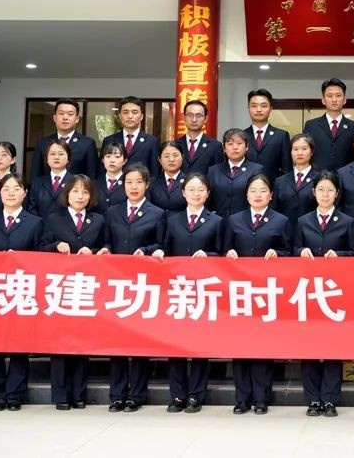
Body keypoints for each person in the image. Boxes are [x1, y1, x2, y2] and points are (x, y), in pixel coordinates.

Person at [98, 163, 167, 413]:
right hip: (117, 284)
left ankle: (136, 395)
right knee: (117, 341)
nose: (133, 187)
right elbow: (107, 241)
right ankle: (117, 395)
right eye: (129, 182)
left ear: (147, 185)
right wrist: (105, 250)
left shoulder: (157, 213)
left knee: (138, 342)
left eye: (138, 182)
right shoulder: (113, 212)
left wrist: (146, 250)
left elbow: (162, 244)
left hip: (143, 285)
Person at [152, 173, 222, 414]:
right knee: (176, 344)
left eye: (201, 189)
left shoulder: (217, 221)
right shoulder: (172, 220)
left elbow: (222, 252)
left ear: (208, 193)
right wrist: (159, 252)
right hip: (177, 290)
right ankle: (178, 394)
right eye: (191, 189)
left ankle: (195, 395)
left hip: (203, 290)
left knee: (199, 344)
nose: (196, 193)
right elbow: (164, 247)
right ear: (183, 193)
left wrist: (209, 256)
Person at [0, 173, 43, 411]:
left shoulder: (35, 222)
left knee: (18, 343)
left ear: (25, 193)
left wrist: (20, 259)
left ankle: (15, 393)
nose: (11, 193)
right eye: (6, 189)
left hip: (22, 290)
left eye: (16, 188)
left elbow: (42, 259)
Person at [225, 174, 292, 415]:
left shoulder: (281, 221)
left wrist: (279, 254)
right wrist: (228, 253)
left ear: (271, 195)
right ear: (246, 195)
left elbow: (290, 252)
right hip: (240, 292)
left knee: (263, 345)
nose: (258, 195)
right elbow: (224, 249)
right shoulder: (234, 220)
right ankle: (242, 398)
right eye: (253, 190)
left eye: (263, 190)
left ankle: (262, 398)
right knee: (241, 345)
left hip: (268, 293)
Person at [38, 175, 105, 411]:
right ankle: (61, 395)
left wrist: (94, 250)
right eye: (75, 191)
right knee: (60, 344)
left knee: (81, 343)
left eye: (85, 192)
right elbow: (41, 247)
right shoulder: (53, 219)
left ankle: (78, 394)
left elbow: (106, 246)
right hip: (60, 288)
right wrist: (56, 246)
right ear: (67, 194)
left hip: (87, 289)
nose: (80, 196)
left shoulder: (98, 220)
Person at [294, 172, 354, 417]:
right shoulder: (303, 221)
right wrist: (301, 251)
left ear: (337, 194)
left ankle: (330, 399)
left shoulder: (347, 221)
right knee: (309, 347)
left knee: (332, 346)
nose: (325, 194)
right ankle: (312, 399)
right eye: (321, 190)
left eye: (330, 190)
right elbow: (293, 248)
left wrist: (339, 255)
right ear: (313, 193)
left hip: (335, 294)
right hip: (308, 293)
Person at [29, 98, 97, 181]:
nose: (65, 117)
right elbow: (35, 175)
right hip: (47, 189)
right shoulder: (42, 143)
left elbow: (91, 177)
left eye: (70, 114)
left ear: (77, 119)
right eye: (61, 113)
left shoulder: (87, 144)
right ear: (54, 118)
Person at [302, 78, 354, 172]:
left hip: (346, 177)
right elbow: (305, 152)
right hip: (317, 177)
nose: (334, 99)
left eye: (338, 95)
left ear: (344, 100)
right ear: (323, 100)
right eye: (329, 96)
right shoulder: (311, 126)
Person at [206, 129, 264, 218]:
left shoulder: (256, 170)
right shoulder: (213, 171)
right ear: (224, 148)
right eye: (230, 144)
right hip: (219, 220)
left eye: (239, 143)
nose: (235, 147)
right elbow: (208, 200)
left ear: (246, 147)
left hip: (245, 221)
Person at [101, 96, 161, 179]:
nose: (130, 116)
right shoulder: (109, 140)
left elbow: (155, 173)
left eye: (134, 112)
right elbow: (102, 170)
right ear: (120, 116)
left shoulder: (151, 141)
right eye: (125, 112)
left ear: (141, 117)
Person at [244, 89, 292, 181]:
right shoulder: (242, 136)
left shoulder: (281, 136)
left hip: (273, 187)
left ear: (271, 108)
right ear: (248, 109)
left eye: (264, 106)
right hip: (246, 187)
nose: (259, 110)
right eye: (254, 106)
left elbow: (287, 169)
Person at [273, 133, 321, 225]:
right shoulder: (280, 181)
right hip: (285, 230)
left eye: (304, 149)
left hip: (311, 229)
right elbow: (275, 211)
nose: (299, 153)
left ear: (311, 152)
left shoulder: (319, 179)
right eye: (295, 149)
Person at [26, 140, 72, 219]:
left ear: (68, 158)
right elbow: (32, 209)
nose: (56, 157)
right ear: (47, 158)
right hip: (41, 225)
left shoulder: (75, 182)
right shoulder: (37, 183)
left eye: (61, 154)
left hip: (67, 226)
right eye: (52, 154)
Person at [179, 99, 223, 176]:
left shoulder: (215, 146)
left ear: (205, 119)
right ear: (184, 118)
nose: (194, 120)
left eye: (198, 116)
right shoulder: (176, 144)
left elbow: (217, 175)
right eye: (190, 115)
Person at [147, 140, 187, 219]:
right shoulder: (152, 182)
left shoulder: (190, 181)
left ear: (182, 157)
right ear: (159, 159)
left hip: (182, 224)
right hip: (156, 223)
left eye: (175, 155)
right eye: (166, 156)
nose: (171, 159)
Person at [92, 141, 128, 215]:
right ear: (103, 160)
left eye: (117, 156)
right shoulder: (93, 184)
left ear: (124, 161)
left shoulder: (129, 183)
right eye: (108, 156)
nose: (112, 160)